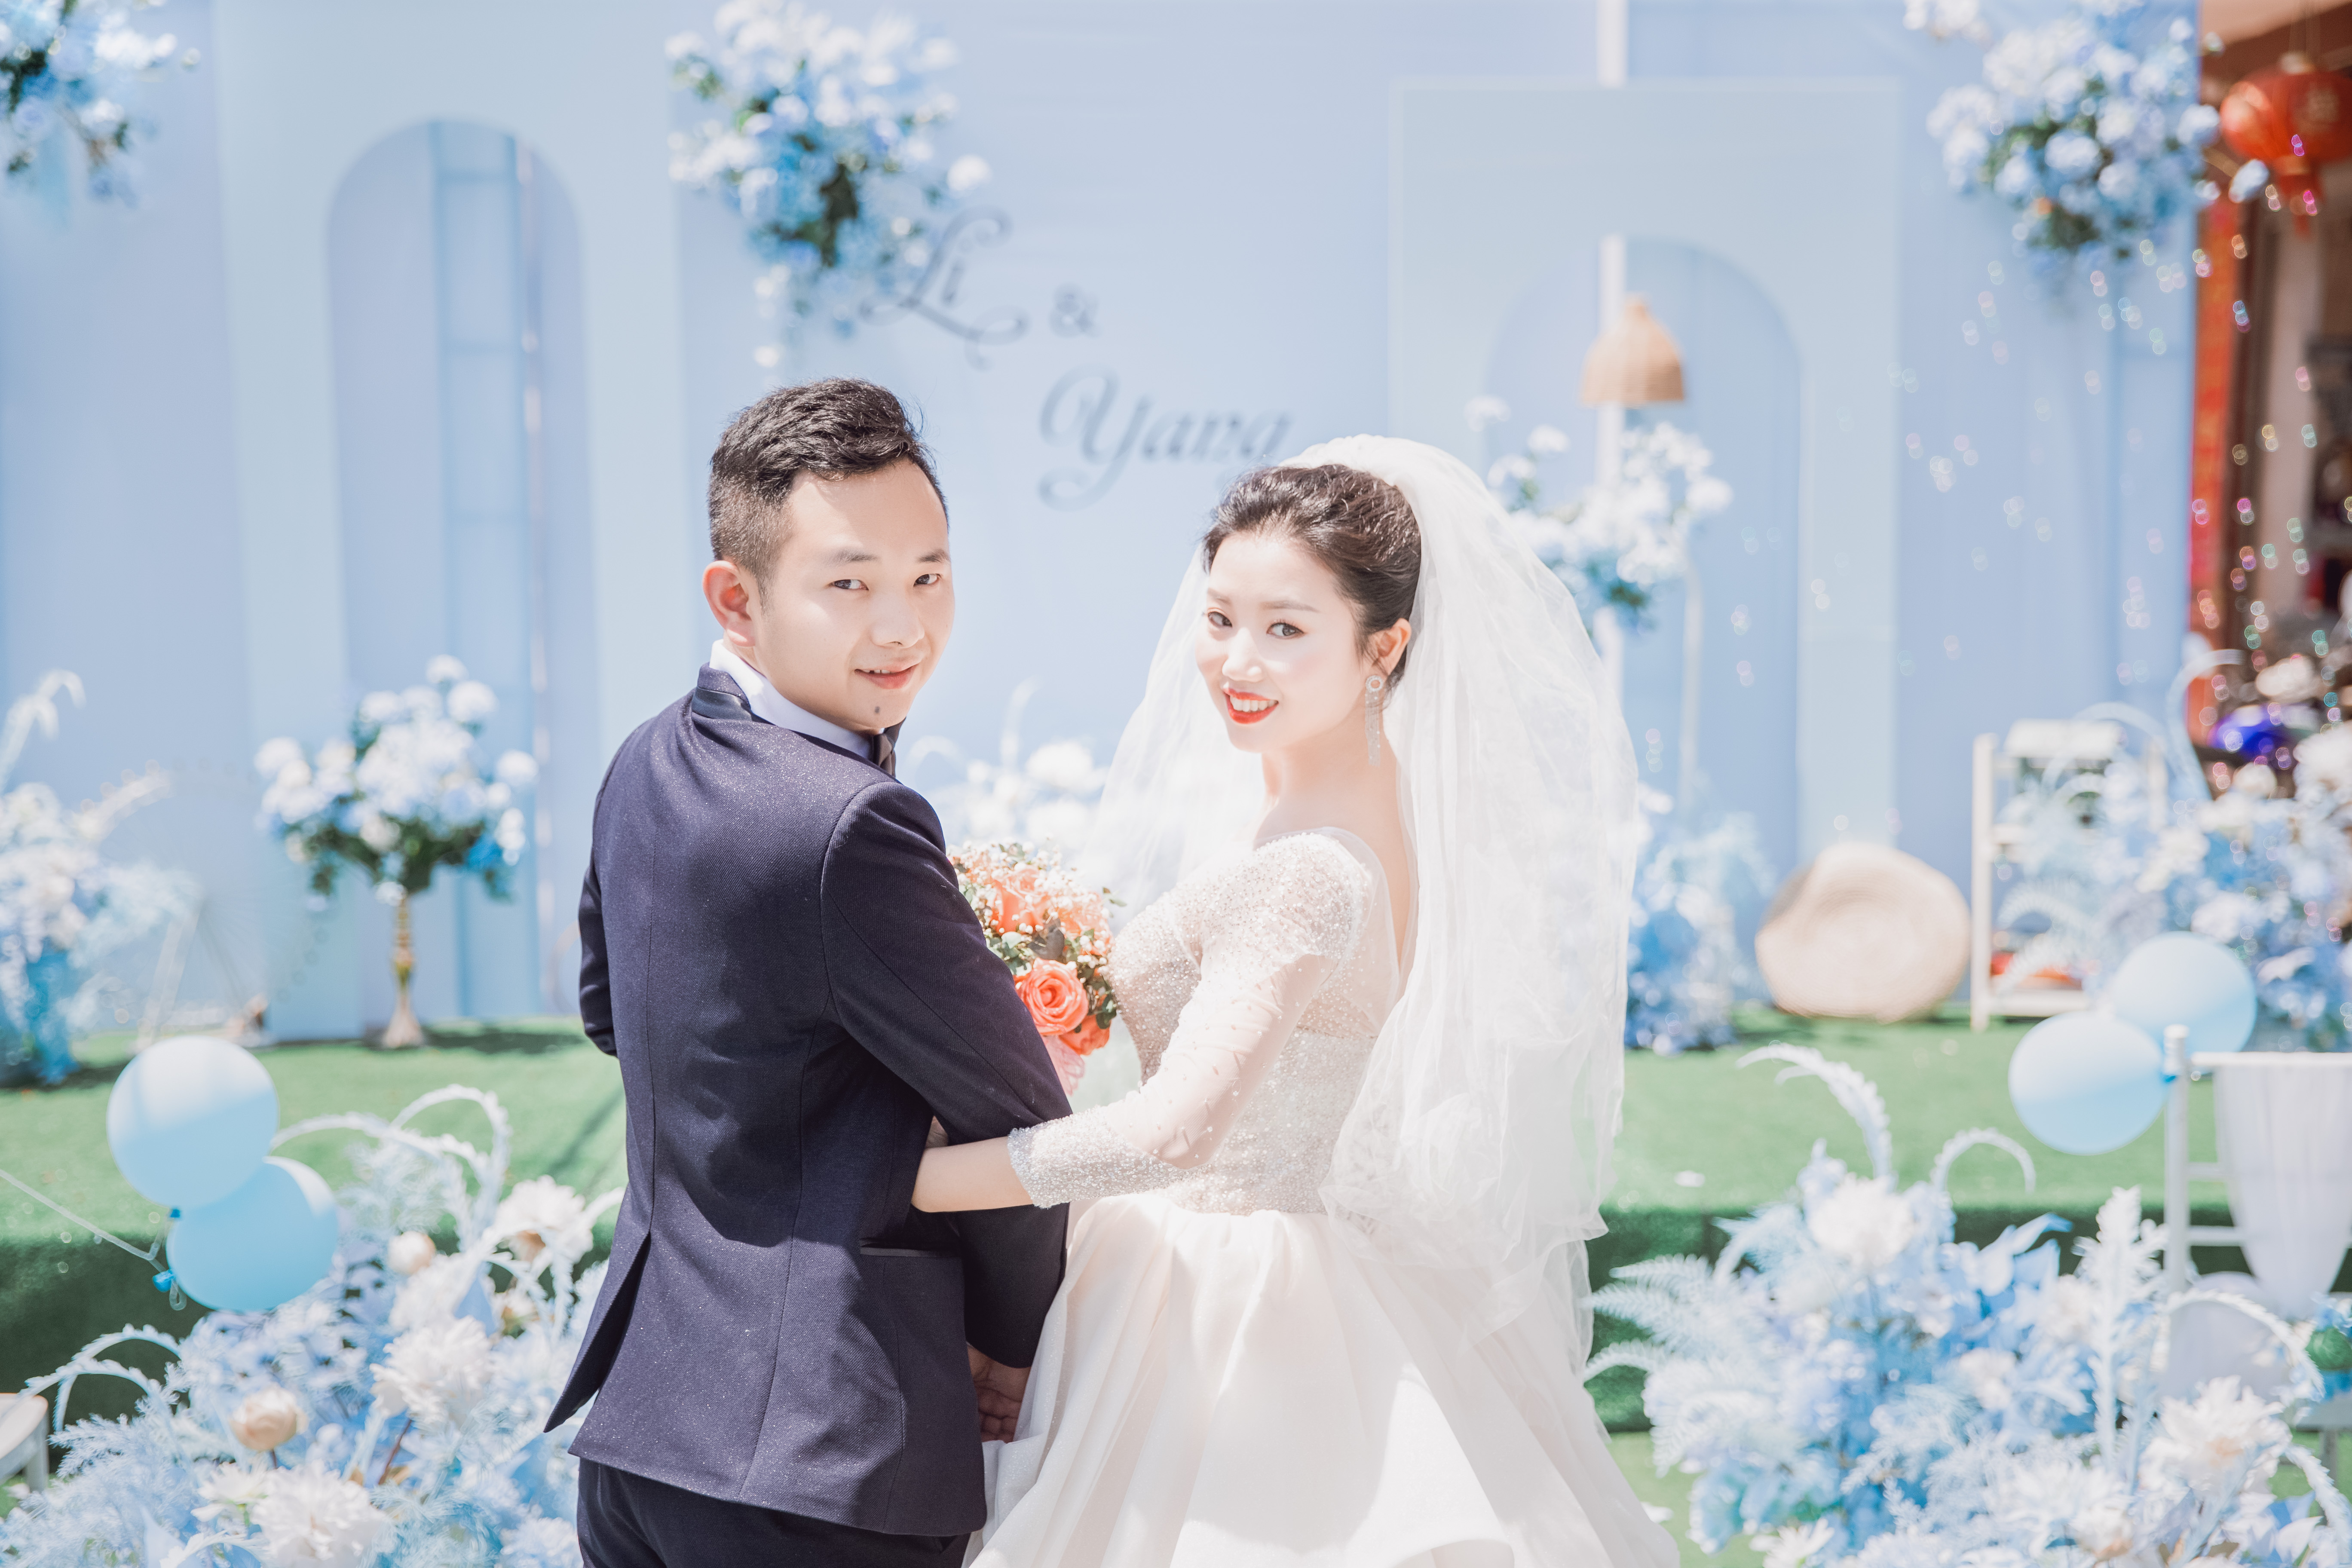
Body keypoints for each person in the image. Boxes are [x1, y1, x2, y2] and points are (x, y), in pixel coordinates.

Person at [911, 437, 1679, 1568]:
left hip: (1225, 1301)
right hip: (1285, 1258)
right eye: (1221, 618)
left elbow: (1175, 1133)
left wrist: (912, 1179)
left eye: (1286, 629)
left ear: (1385, 645)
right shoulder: (1364, 809)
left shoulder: (1307, 871)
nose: (1238, 661)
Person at [545, 380, 1073, 1568]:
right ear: (737, 599)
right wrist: (1011, 1339)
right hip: (817, 1464)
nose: (903, 627)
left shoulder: (644, 759)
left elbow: (614, 1013)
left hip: (640, 1443)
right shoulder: (849, 822)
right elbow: (1026, 1123)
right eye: (850, 585)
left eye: (929, 577)